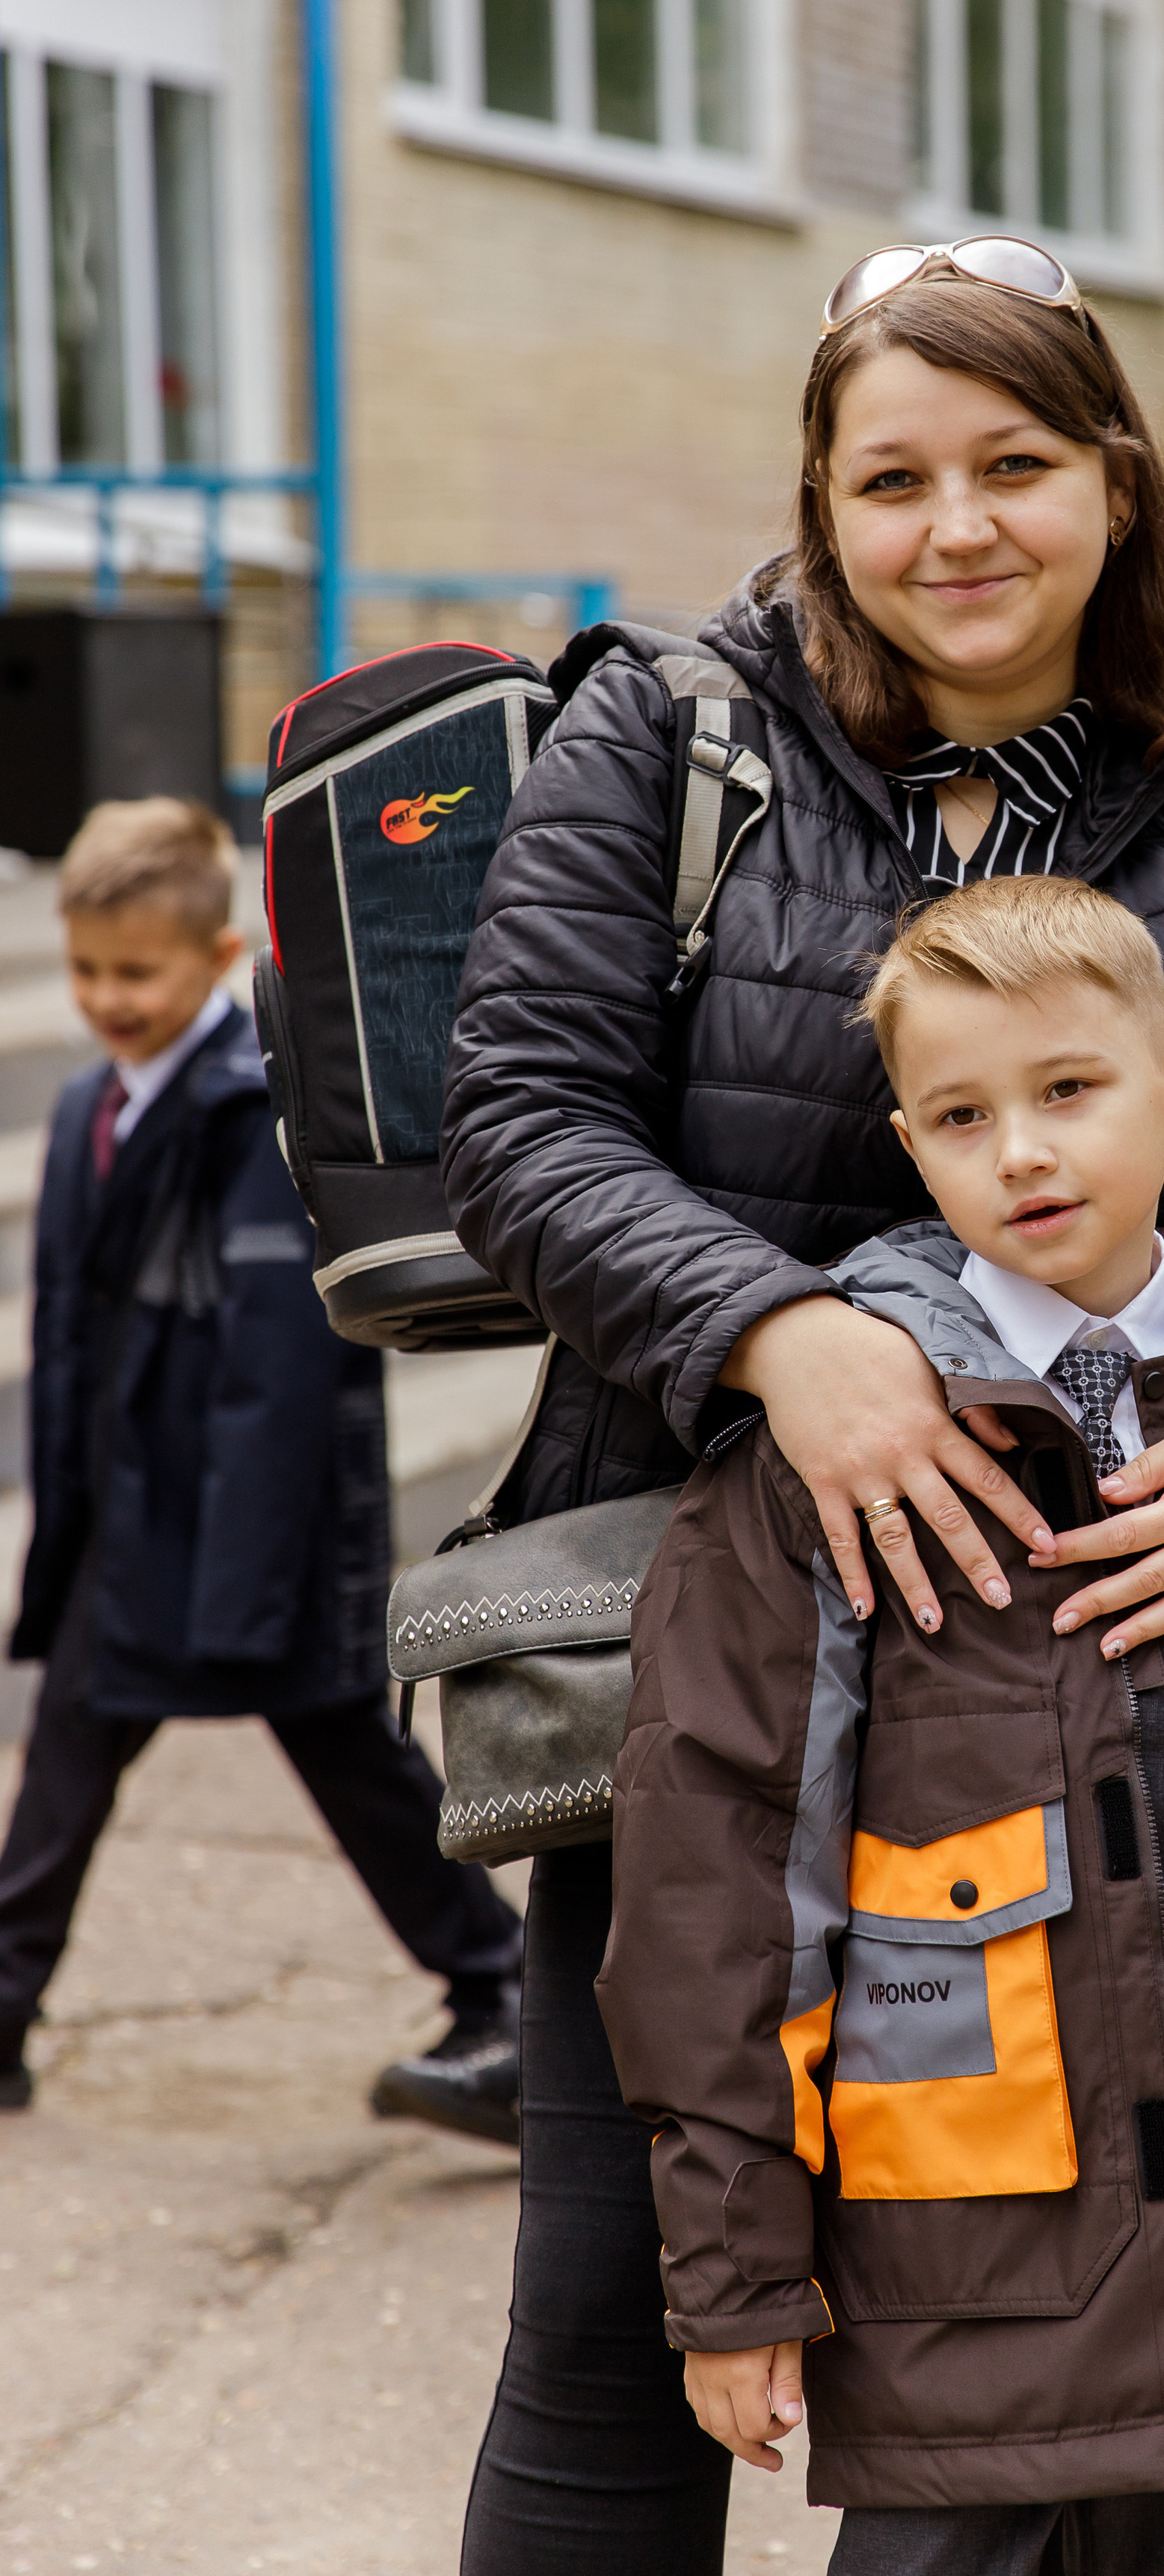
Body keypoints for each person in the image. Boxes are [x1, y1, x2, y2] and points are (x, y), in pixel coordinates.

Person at [441, 235, 1164, 2571]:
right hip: (716, 1675)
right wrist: (777, 1334)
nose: (959, 528)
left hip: (1122, 1713)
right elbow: (516, 1117)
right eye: (892, 477)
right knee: (631, 2313)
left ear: (1116, 483)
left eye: (1015, 464)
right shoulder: (675, 739)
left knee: (1092, 2335)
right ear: (822, 507)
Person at [598, 876, 1164, 2569]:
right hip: (963, 2287)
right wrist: (731, 2281)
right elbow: (712, 1890)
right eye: (960, 1115)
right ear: (909, 1146)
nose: (1019, 1150)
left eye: (1067, 1091)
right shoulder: (837, 1454)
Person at [0, 798, 523, 2136]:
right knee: (61, 1782)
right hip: (128, 1520)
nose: (110, 999)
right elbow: (65, 1330)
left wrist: (239, 1593)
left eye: (141, 972)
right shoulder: (84, 1110)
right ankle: (3, 2016)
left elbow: (279, 1377)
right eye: (91, 969)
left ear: (218, 955)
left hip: (248, 1532)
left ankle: (506, 1990)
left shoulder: (257, 1121)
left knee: (353, 1762)